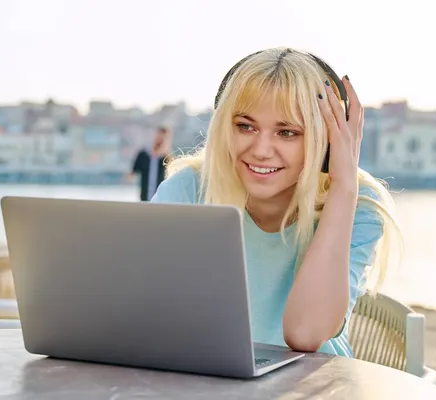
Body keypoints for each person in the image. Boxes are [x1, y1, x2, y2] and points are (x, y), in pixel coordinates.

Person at [151, 48, 402, 357]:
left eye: (287, 132)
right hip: (208, 378)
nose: (261, 150)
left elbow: (305, 333)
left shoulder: (359, 206)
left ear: (326, 141)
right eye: (245, 126)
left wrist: (343, 186)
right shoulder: (188, 189)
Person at [130, 126, 172, 201]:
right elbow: (132, 173)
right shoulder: (143, 155)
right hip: (144, 197)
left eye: (164, 138)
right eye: (159, 136)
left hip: (160, 199)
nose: (160, 140)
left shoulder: (167, 158)